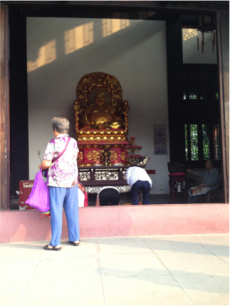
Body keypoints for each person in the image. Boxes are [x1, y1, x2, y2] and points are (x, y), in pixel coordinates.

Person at [39, 117, 79, 251]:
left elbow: (46, 163)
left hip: (57, 181)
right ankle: (75, 238)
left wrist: (42, 165)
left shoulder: (53, 143)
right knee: (72, 210)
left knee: (56, 211)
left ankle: (55, 242)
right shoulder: (73, 141)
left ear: (55, 130)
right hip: (72, 180)